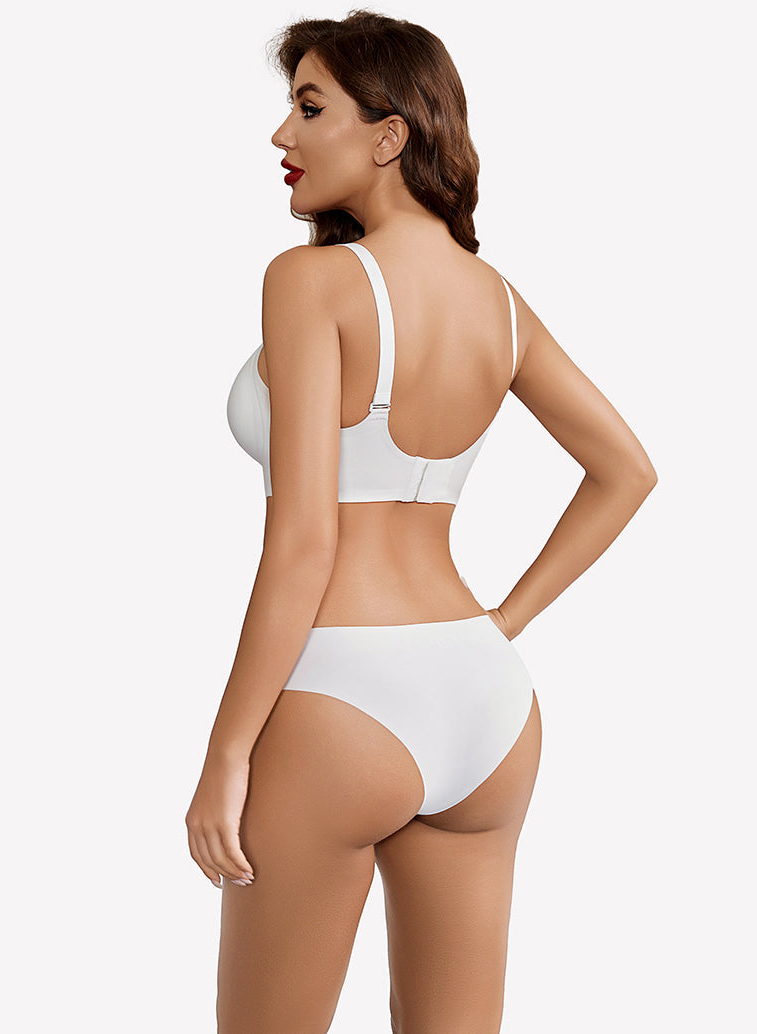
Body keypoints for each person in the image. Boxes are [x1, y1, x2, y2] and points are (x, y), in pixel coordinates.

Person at [185, 10, 658, 1033]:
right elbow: (625, 471)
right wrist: (501, 625)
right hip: (484, 699)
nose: (281, 135)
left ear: (388, 134)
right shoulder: (497, 301)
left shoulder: (309, 282)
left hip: (339, 692)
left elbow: (304, 544)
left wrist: (226, 753)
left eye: (309, 107)